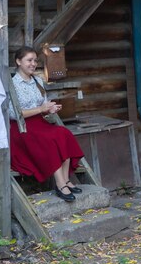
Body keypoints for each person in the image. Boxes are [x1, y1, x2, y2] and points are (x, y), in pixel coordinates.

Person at [8, 46, 84, 202]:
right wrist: (41, 109)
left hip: (38, 122)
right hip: (21, 127)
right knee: (49, 139)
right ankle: (60, 183)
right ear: (18, 61)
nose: (33, 64)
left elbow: (42, 106)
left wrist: (49, 109)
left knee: (64, 134)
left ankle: (66, 179)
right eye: (29, 60)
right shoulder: (12, 84)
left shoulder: (38, 81)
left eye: (35, 60)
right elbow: (13, 113)